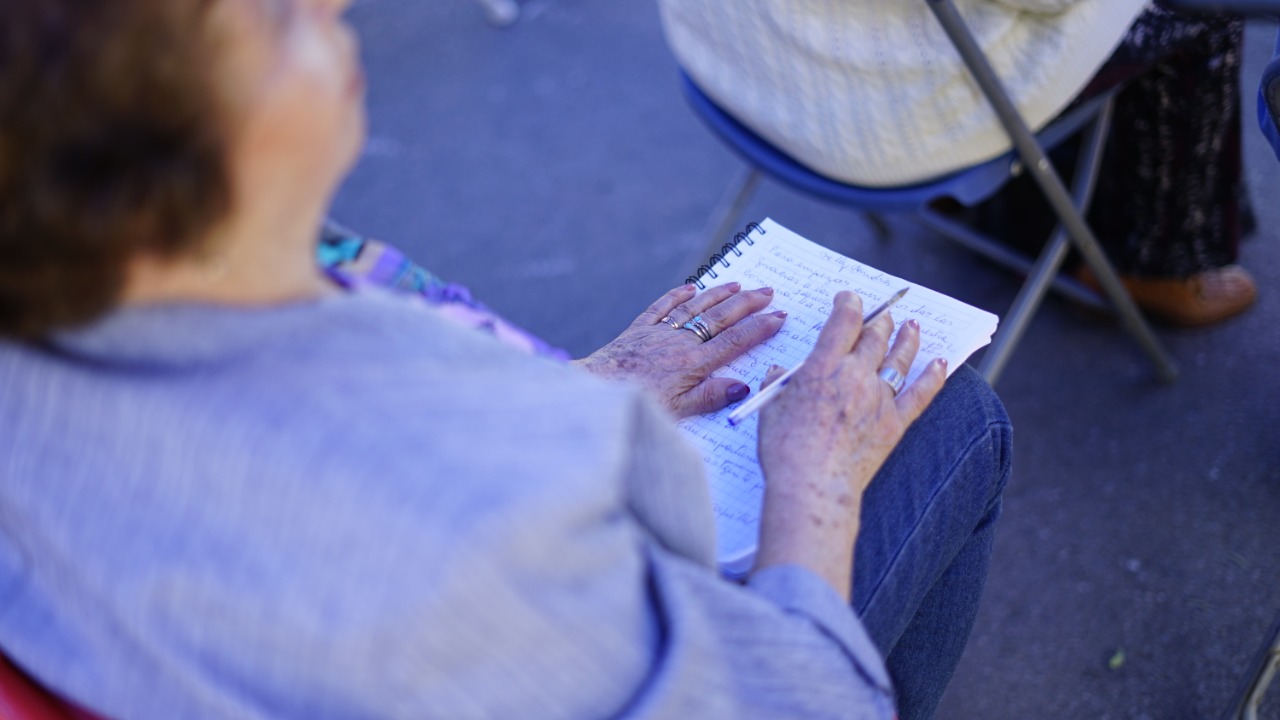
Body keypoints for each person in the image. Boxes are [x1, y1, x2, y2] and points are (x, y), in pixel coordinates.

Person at [0, 1, 1010, 719]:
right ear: (143, 157)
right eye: (274, 19)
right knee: (956, 420)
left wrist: (582, 391)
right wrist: (815, 481)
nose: (333, 6)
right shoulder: (462, 520)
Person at [658, 0, 1256, 327]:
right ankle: (1154, 260)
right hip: (883, 116)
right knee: (1203, 6)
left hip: (729, 60)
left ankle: (1014, 211)